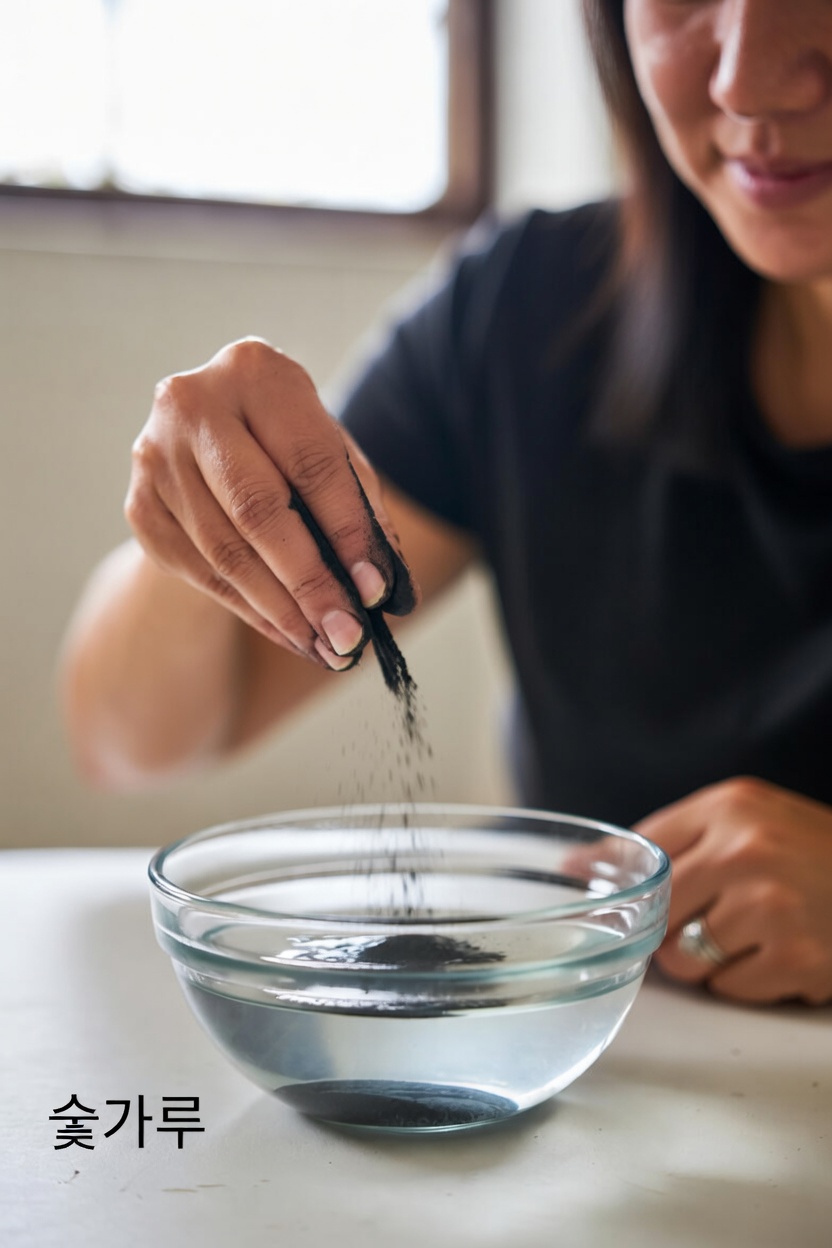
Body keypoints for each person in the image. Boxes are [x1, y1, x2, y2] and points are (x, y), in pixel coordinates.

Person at [61, 0, 832, 1007]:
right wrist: (205, 515)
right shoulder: (533, 313)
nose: (745, 80)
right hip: (597, 1095)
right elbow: (133, 737)